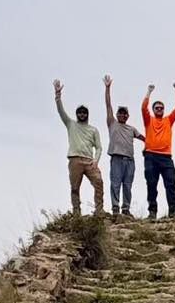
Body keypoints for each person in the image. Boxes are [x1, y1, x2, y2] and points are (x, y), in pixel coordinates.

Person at [53, 80, 104, 215]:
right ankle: (76, 212)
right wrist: (58, 96)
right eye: (80, 112)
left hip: (89, 161)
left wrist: (96, 160)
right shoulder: (71, 124)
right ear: (77, 114)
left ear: (87, 114)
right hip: (75, 160)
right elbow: (61, 112)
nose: (82, 114)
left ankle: (99, 211)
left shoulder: (93, 130)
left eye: (84, 112)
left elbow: (99, 147)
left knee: (98, 182)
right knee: (75, 187)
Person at [103, 75, 144, 218]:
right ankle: (115, 208)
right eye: (120, 113)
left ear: (127, 116)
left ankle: (125, 209)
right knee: (115, 184)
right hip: (116, 158)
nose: (122, 115)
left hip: (129, 160)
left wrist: (152, 144)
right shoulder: (112, 123)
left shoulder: (131, 128)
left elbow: (144, 138)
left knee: (127, 185)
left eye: (124, 113)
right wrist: (107, 88)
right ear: (116, 115)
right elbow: (108, 105)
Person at [141, 82, 175, 219]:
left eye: (161, 108)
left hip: (166, 157)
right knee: (151, 184)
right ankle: (152, 212)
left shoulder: (168, 120)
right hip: (151, 156)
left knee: (171, 184)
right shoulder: (149, 120)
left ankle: (173, 211)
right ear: (153, 110)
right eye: (157, 108)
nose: (159, 109)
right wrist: (149, 92)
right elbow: (143, 108)